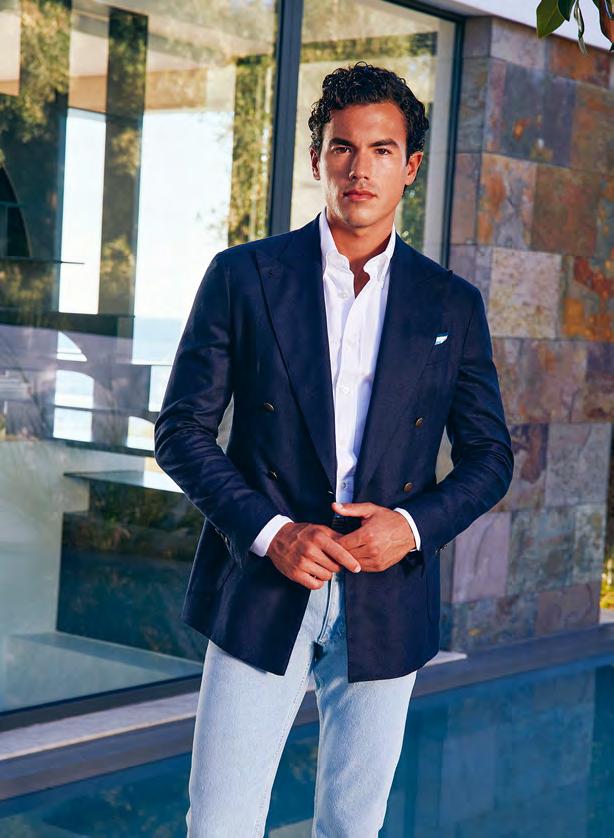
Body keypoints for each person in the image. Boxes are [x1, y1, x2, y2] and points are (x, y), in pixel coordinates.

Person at [154, 60, 514, 837]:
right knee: (219, 824)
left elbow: (491, 457)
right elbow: (180, 430)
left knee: (353, 826)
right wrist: (272, 532)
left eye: (382, 150)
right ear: (317, 157)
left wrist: (409, 528)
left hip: (387, 594)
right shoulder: (244, 276)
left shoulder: (451, 303)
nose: (360, 169)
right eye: (343, 148)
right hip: (265, 578)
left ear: (410, 167)